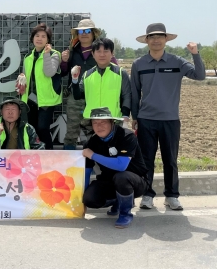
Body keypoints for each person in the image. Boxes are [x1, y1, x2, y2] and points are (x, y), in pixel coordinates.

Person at [131, 23, 206, 211]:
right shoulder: (138, 64)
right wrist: (135, 116)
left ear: (166, 39)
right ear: (147, 40)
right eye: (152, 36)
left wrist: (195, 54)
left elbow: (200, 75)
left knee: (170, 160)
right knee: (146, 160)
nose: (156, 40)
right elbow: (135, 92)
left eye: (160, 36)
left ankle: (171, 196)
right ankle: (147, 195)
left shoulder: (177, 62)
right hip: (146, 119)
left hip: (170, 119)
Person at [82, 107, 148, 229]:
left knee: (121, 177)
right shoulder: (91, 143)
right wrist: (81, 201)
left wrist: (93, 155)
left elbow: (121, 166)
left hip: (134, 181)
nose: (99, 126)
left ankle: (125, 214)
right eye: (95, 123)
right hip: (109, 181)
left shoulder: (126, 136)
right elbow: (86, 172)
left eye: (103, 122)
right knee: (89, 199)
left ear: (112, 122)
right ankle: (117, 200)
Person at [60, 19, 119, 150]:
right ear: (77, 34)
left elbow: (115, 71)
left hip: (97, 96)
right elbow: (64, 72)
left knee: (97, 129)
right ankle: (69, 159)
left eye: (87, 31)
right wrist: (64, 61)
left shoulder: (101, 50)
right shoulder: (71, 50)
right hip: (75, 97)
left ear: (93, 33)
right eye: (81, 31)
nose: (84, 34)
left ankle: (97, 158)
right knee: (71, 132)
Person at [17, 23, 62, 150]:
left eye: (43, 36)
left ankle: (49, 155)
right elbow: (26, 74)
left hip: (46, 100)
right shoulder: (28, 57)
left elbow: (49, 72)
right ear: (32, 38)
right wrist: (22, 76)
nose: (40, 39)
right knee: (31, 129)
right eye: (37, 35)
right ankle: (35, 155)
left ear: (48, 40)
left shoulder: (54, 54)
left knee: (43, 128)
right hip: (30, 99)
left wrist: (46, 54)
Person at [72, 38, 131, 123]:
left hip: (113, 120)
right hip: (91, 121)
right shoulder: (86, 75)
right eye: (98, 51)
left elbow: (127, 96)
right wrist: (74, 79)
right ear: (93, 54)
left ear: (112, 53)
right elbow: (77, 96)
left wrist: (125, 115)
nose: (102, 54)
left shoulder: (121, 73)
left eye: (106, 51)